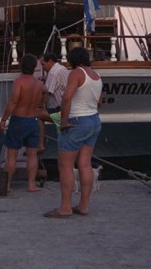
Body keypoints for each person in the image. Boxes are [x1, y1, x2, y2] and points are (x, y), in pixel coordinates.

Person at [44, 46, 103, 218]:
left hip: (76, 121)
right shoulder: (96, 76)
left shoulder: (76, 73)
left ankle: (65, 207)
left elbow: (67, 97)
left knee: (65, 165)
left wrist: (63, 121)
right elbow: (99, 102)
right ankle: (84, 205)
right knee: (85, 164)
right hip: (93, 120)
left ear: (73, 60)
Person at [0, 53, 45, 194]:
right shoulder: (39, 84)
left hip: (19, 119)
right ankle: (31, 184)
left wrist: (4, 119)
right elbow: (41, 104)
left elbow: (13, 102)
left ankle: (7, 185)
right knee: (32, 154)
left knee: (11, 155)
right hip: (33, 120)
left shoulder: (19, 82)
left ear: (21, 65)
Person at [37, 53, 69, 153]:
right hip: (66, 110)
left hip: (59, 111)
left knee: (36, 114)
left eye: (43, 64)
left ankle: (40, 145)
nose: (43, 67)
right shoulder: (62, 68)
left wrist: (39, 106)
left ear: (50, 61)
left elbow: (47, 93)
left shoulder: (52, 73)